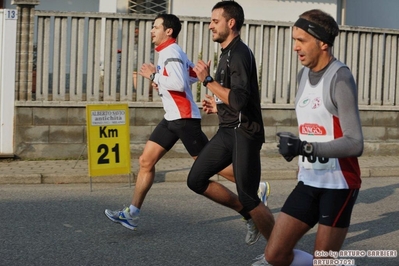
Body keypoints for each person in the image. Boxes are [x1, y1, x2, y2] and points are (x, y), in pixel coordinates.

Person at [104, 13, 269, 246]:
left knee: (207, 164)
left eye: (155, 27)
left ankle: (255, 188)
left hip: (183, 118)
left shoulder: (171, 52)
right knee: (145, 161)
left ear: (168, 31)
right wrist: (162, 77)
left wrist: (155, 75)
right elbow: (191, 75)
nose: (152, 31)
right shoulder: (172, 51)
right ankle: (133, 213)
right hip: (171, 117)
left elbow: (180, 83)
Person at [251, 9, 364, 266]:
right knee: (275, 254)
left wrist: (305, 147)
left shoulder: (340, 77)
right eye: (294, 40)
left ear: (323, 42)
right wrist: (296, 145)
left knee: (323, 261)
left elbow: (355, 142)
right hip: (309, 181)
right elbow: (316, 125)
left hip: (339, 185)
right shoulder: (303, 75)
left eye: (301, 40)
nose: (295, 47)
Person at [187, 0, 275, 246]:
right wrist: (218, 106)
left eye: (215, 21)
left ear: (231, 23)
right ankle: (249, 216)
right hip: (228, 130)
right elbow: (236, 98)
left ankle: (279, 254)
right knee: (196, 180)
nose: (210, 26)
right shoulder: (227, 52)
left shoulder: (238, 54)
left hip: (245, 134)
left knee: (249, 196)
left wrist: (207, 80)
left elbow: (237, 99)